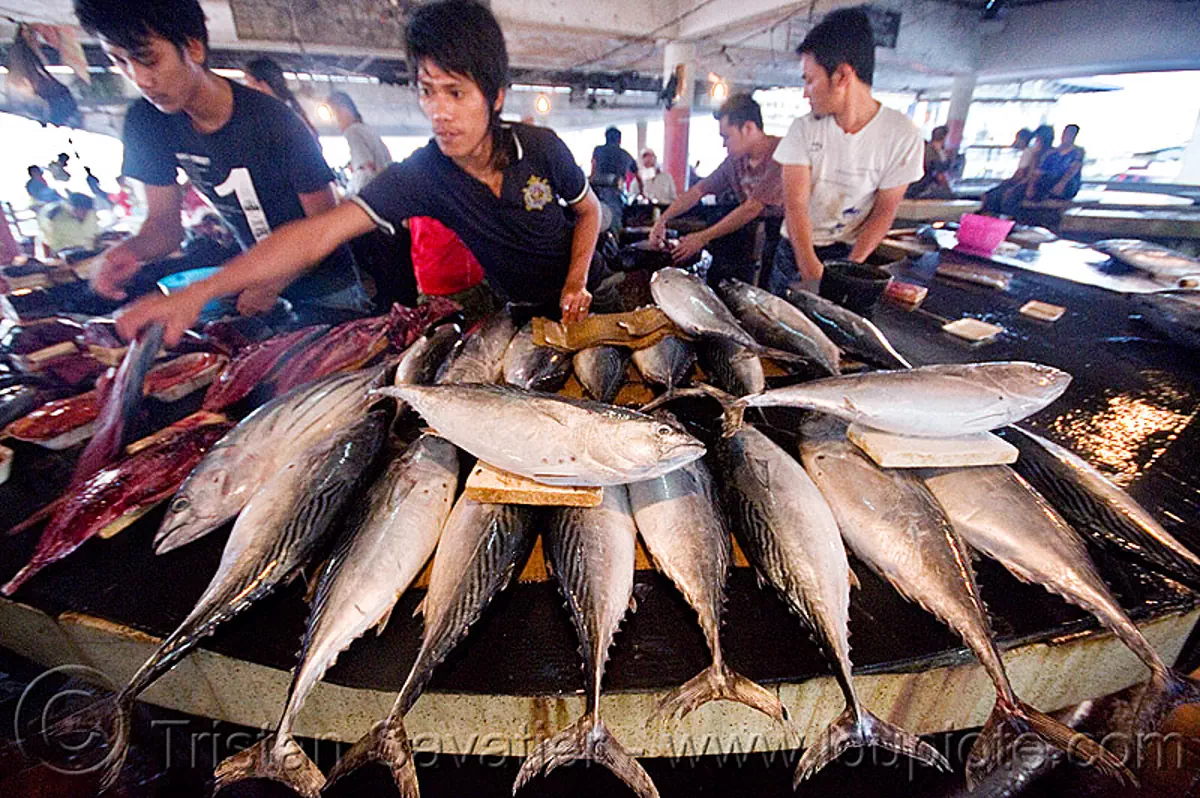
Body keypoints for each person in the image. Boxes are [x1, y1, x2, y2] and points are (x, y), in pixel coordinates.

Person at [113, 0, 606, 346]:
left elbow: (589, 212)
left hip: (595, 294)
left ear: (495, 96)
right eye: (427, 91)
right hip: (524, 312)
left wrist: (576, 281)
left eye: (455, 93)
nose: (439, 112)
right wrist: (200, 292)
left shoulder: (540, 148)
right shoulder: (424, 175)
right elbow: (316, 233)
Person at [73, 0, 367, 323]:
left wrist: (272, 282)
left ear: (194, 48)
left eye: (148, 59)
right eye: (120, 61)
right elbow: (164, 226)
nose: (140, 79)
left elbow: (323, 223)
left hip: (327, 287)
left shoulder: (274, 120)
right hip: (251, 280)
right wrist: (131, 251)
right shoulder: (147, 122)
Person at [767, 8, 923, 294]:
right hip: (797, 249)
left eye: (810, 80)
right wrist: (810, 270)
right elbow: (796, 206)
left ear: (841, 76)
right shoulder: (803, 129)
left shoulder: (902, 135)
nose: (805, 92)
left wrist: (850, 268)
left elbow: (884, 211)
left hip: (848, 250)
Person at [650, 93, 785, 284]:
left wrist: (702, 238)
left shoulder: (782, 154)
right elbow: (698, 191)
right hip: (752, 239)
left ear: (748, 128)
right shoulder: (735, 162)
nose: (723, 144)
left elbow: (752, 207)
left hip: (784, 240)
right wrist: (662, 220)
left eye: (727, 137)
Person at [328, 91, 393, 194]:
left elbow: (367, 169)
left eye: (334, 115)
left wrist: (349, 194)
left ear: (344, 111)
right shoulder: (368, 130)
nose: (335, 122)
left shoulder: (353, 132)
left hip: (373, 195)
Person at [244, 56, 319, 139]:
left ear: (262, 85)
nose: (246, 86)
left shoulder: (279, 114)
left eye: (249, 82)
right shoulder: (289, 108)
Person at [997, 124, 1054, 216]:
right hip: (1029, 183)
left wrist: (1017, 186)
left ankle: (1010, 217)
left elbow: (1031, 176)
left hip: (1036, 186)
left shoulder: (1047, 155)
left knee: (1008, 196)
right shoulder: (1037, 153)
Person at [591, 126, 637, 230]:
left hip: (596, 189)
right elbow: (636, 173)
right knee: (614, 219)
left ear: (605, 137)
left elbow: (593, 165)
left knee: (596, 216)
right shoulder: (625, 154)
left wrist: (592, 179)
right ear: (620, 140)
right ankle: (614, 237)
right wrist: (641, 192)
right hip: (615, 189)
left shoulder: (598, 150)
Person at [1026, 124, 1084, 202]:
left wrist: (1061, 183)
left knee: (1068, 183)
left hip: (1067, 183)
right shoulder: (1052, 153)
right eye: (1066, 133)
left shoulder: (1077, 153)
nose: (1067, 136)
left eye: (1071, 134)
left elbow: (1073, 169)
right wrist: (1031, 186)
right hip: (1051, 180)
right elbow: (1039, 171)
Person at [981, 127, 1033, 214]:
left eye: (1018, 139)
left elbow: (1020, 175)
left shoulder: (1027, 152)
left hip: (1018, 184)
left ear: (1023, 140)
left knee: (990, 195)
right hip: (1017, 183)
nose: (1016, 142)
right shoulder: (1029, 152)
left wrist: (1009, 182)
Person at [905, 125, 956, 199]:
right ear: (944, 138)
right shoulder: (932, 151)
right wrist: (951, 193)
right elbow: (940, 174)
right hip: (920, 189)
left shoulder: (932, 148)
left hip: (917, 187)